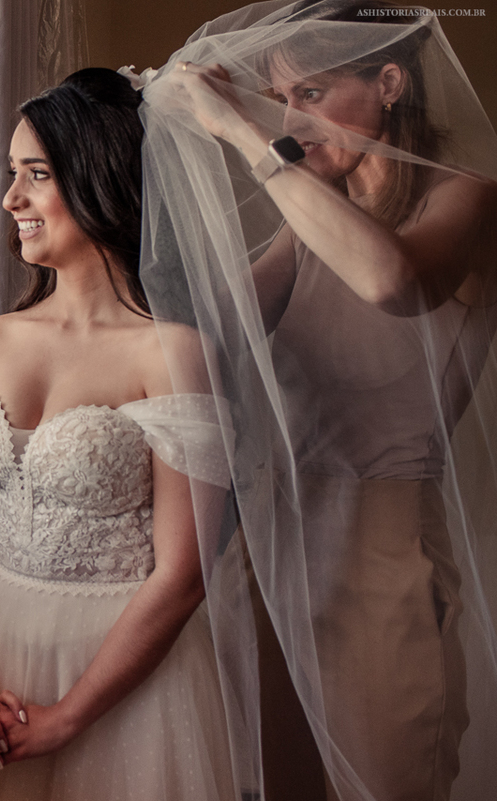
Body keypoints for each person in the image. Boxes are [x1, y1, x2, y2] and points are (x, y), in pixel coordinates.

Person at [130, 1, 497, 799]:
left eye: (311, 94)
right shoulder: (307, 228)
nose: (288, 118)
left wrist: (238, 132)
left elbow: (389, 280)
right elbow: (202, 336)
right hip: (270, 559)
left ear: (389, 82)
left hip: (384, 572)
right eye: (278, 98)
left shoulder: (469, 200)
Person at [0, 68, 236, 801]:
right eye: (12, 174)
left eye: (36, 175)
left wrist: (63, 720)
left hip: (122, 678)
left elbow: (185, 572)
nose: (11, 199)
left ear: (102, 181)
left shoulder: (171, 353)